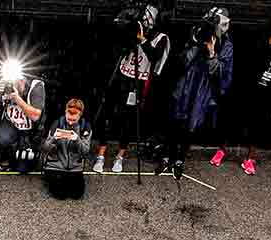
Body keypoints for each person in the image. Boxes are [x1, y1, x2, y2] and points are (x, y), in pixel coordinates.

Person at [94, 7, 172, 174]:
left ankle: (120, 156)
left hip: (138, 82)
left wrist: (143, 39)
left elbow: (154, 56)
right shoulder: (133, 29)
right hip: (122, 76)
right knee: (107, 115)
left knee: (128, 120)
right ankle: (101, 154)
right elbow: (120, 42)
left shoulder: (161, 38)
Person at [224, 10, 271, 174]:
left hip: (270, 88)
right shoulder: (264, 32)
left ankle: (250, 157)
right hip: (252, 84)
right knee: (239, 116)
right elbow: (249, 55)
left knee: (259, 122)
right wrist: (268, 44)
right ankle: (222, 150)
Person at [163, 11, 231, 177]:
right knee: (175, 121)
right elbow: (183, 60)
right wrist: (196, 44)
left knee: (191, 125)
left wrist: (212, 54)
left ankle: (180, 159)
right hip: (186, 84)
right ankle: (167, 156)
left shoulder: (226, 44)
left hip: (204, 88)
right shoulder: (197, 33)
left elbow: (222, 73)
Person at [0, 67, 46, 173]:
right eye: (10, 82)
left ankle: (29, 150)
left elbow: (35, 116)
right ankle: (7, 155)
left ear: (22, 80)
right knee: (3, 139)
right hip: (11, 124)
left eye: (14, 82)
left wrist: (17, 98)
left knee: (22, 169)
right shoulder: (4, 86)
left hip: (31, 129)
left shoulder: (36, 86)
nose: (11, 85)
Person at [43, 97, 94, 198]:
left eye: (74, 120)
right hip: (55, 166)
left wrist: (77, 140)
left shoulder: (85, 127)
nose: (70, 122)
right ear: (65, 113)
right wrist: (54, 139)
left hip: (75, 167)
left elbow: (85, 152)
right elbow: (45, 148)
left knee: (76, 195)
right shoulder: (57, 124)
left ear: (80, 116)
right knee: (60, 195)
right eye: (68, 119)